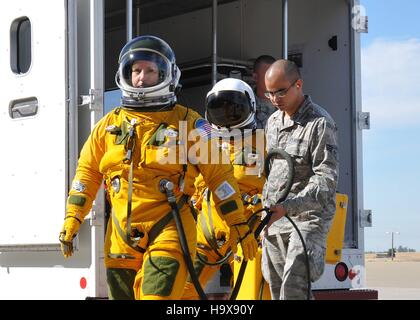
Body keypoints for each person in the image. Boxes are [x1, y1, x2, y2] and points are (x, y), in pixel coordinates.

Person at [58, 35, 257, 300]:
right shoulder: (109, 126)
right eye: (136, 70)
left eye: (150, 70)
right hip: (120, 234)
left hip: (169, 228)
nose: (141, 77)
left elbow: (219, 177)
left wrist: (239, 223)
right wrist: (73, 217)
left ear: (167, 74)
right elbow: (87, 173)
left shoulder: (190, 124)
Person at [261, 59, 339, 300]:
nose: (275, 99)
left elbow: (326, 180)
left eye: (280, 92)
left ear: (298, 84)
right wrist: (264, 217)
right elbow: (272, 172)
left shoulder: (320, 123)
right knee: (277, 290)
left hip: (307, 219)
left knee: (293, 288)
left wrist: (288, 207)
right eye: (270, 93)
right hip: (276, 220)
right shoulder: (273, 122)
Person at [182, 78, 265, 299]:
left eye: (234, 109)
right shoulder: (203, 144)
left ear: (250, 108)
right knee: (181, 291)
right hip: (207, 236)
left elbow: (280, 187)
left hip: (247, 237)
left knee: (249, 296)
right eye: (221, 109)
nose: (227, 116)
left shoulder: (264, 144)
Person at [252, 55, 276, 130]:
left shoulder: (287, 104)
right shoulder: (245, 105)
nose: (273, 80)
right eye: (268, 75)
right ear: (255, 77)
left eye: (275, 75)